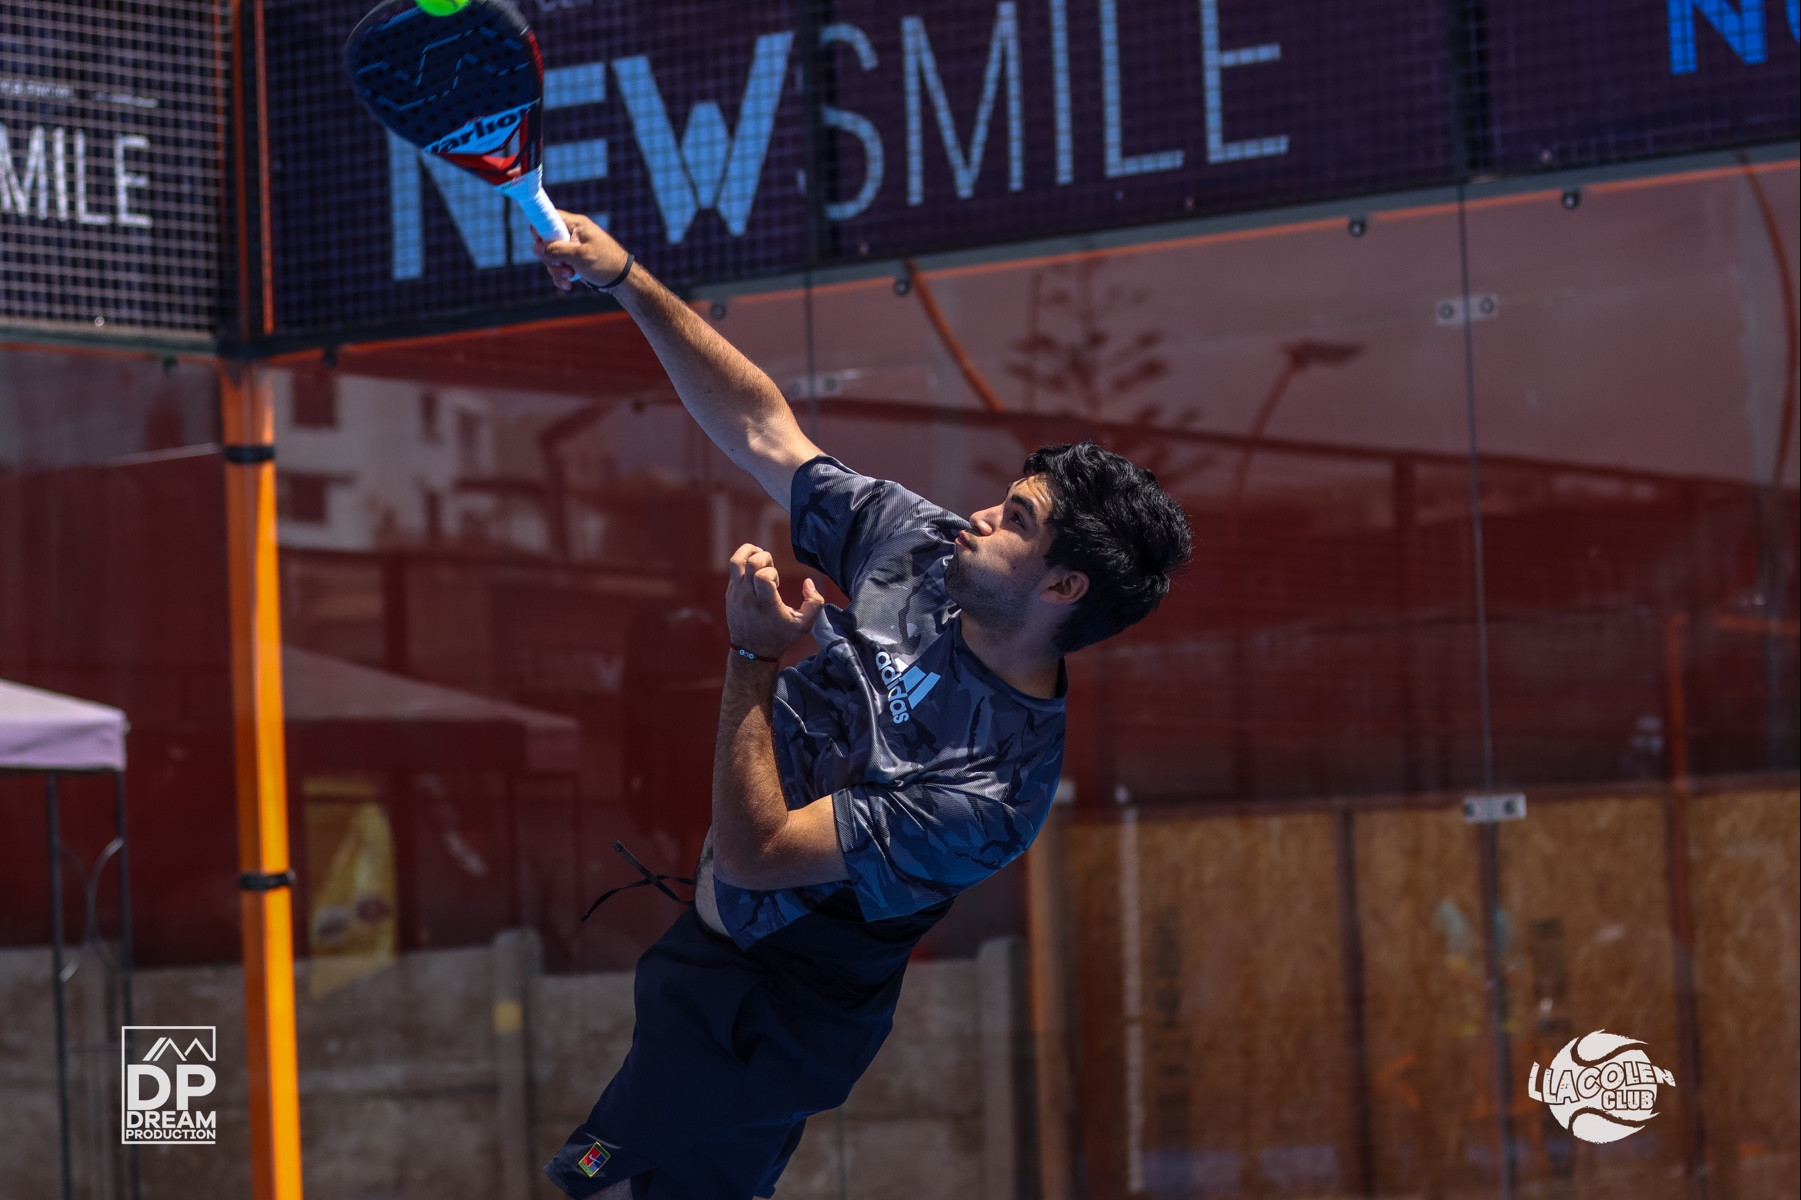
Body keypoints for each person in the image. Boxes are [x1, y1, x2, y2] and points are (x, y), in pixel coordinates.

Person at [534, 214, 1192, 1200]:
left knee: (603, 1185)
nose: (981, 515)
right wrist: (627, 279)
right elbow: (764, 431)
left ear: (1062, 588)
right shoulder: (921, 551)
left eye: (1015, 521)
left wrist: (753, 655)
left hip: (768, 1018)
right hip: (704, 964)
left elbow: (758, 855)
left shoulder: (994, 791)